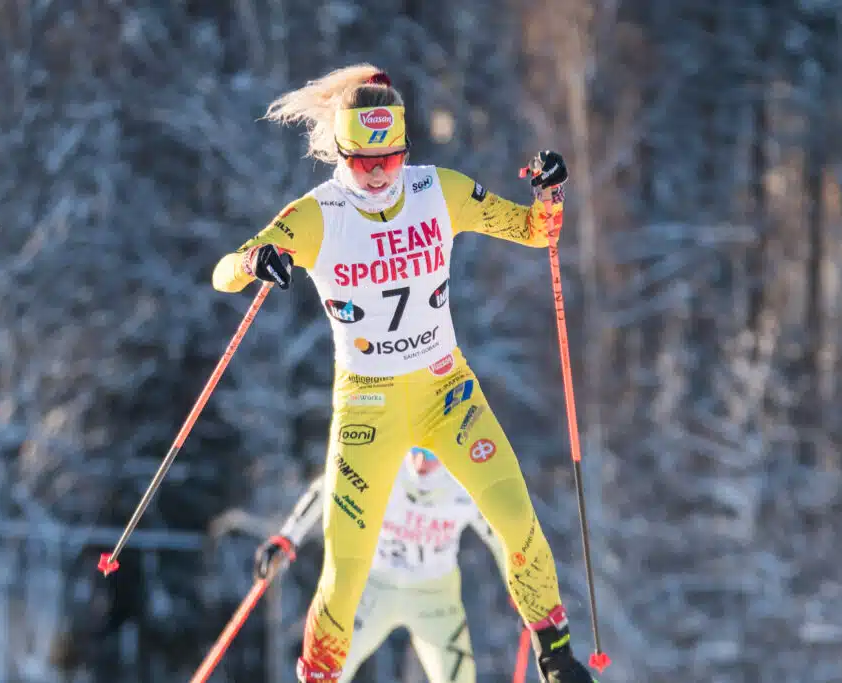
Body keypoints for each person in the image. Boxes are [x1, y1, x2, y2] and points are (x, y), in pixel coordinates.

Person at [211, 63, 595, 683]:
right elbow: (224, 271)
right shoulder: (319, 214)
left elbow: (534, 232)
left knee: (516, 517)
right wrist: (257, 259)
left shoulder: (435, 190)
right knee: (346, 571)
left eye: (391, 158)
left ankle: (557, 656)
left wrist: (550, 193)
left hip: (447, 390)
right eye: (365, 163)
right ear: (342, 153)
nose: (381, 175)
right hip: (368, 406)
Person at [254, 446, 509, 683]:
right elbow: (329, 486)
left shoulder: (464, 483)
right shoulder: (385, 466)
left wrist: (519, 590)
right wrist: (287, 537)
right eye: (415, 451)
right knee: (325, 673)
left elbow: (502, 537)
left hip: (434, 600)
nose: (420, 462)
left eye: (431, 455)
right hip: (372, 590)